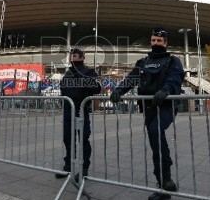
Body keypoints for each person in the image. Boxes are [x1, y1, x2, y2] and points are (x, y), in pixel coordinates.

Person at [110, 28, 184, 200]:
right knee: (155, 140)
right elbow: (131, 78)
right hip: (149, 107)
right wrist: (119, 90)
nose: (155, 43)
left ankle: (166, 180)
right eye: (153, 40)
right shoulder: (143, 62)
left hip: (166, 105)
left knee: (155, 131)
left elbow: (175, 78)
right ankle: (163, 183)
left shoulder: (174, 60)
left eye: (159, 41)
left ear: (165, 43)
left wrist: (165, 90)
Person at [56, 48, 101, 182]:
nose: (72, 58)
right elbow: (63, 88)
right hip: (68, 110)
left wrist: (81, 78)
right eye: (71, 56)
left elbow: (96, 88)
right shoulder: (68, 73)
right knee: (68, 138)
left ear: (81, 57)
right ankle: (68, 166)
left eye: (74, 56)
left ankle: (84, 169)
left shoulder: (89, 72)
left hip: (81, 110)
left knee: (83, 139)